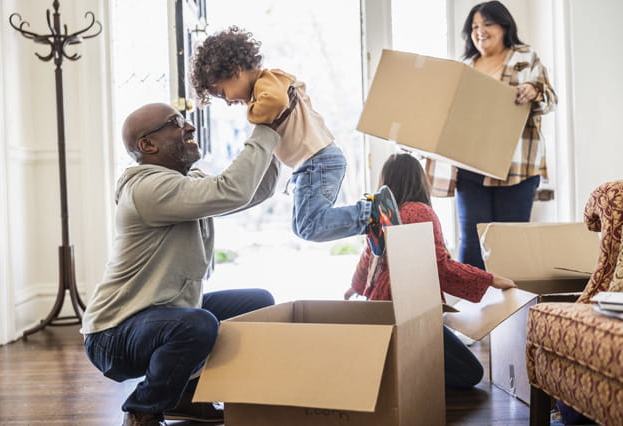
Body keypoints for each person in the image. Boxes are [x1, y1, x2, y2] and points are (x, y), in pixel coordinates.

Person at [81, 101, 288, 426]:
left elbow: (251, 192)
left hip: (160, 314)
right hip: (114, 334)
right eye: (175, 123)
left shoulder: (185, 182)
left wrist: (276, 132)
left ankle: (189, 397)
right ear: (147, 145)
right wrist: (264, 130)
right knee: (196, 324)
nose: (189, 126)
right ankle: (142, 410)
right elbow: (232, 190)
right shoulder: (147, 188)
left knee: (258, 304)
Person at [190, 25, 401, 257]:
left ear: (236, 70)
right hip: (315, 162)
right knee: (303, 226)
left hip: (318, 161)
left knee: (309, 226)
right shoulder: (266, 86)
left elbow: (276, 102)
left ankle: (371, 213)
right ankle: (371, 220)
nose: (228, 101)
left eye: (222, 93)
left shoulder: (268, 82)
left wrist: (252, 115)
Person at [344, 153, 517, 388]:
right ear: (418, 180)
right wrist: (490, 279)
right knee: (471, 373)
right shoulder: (420, 212)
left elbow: (368, 257)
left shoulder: (380, 215)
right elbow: (439, 266)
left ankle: (392, 368)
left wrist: (355, 287)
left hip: (381, 312)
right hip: (411, 314)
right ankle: (401, 379)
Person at [425, 0, 558, 270]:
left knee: (509, 242)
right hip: (469, 165)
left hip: (516, 166)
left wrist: (534, 90)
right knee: (472, 240)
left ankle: (512, 306)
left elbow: (551, 100)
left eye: (487, 24)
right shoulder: (465, 64)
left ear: (504, 26)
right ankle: (473, 307)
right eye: (474, 26)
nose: (480, 31)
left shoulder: (524, 56)